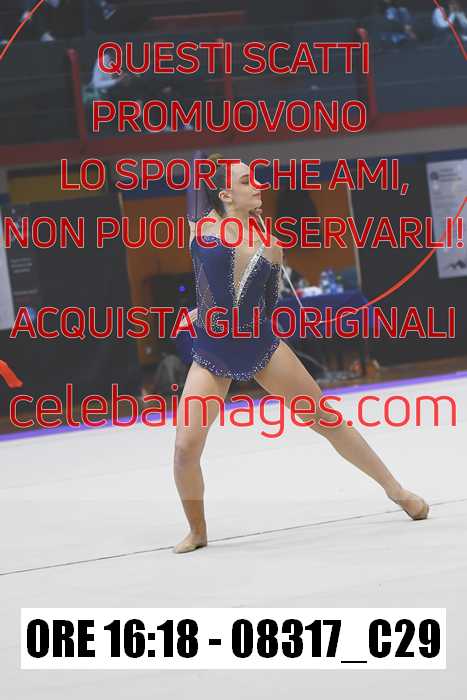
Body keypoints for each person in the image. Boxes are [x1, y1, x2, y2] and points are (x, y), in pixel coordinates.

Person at [172, 154, 429, 554]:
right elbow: (194, 187)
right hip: (212, 350)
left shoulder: (271, 246)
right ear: (225, 194)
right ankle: (198, 529)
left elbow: (269, 304)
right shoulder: (203, 230)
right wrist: (201, 158)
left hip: (259, 343)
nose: (257, 185)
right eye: (246, 181)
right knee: (186, 448)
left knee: (326, 420)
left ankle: (397, 491)